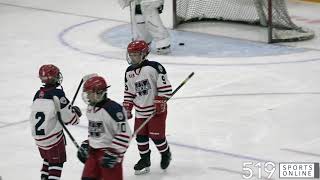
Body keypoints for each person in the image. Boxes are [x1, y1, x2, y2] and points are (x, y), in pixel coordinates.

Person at [123, 40, 172, 175]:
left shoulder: (154, 67)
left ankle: (165, 153)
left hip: (156, 111)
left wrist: (160, 101)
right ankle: (145, 160)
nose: (132, 57)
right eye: (131, 54)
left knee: (157, 137)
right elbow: (129, 92)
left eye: (135, 54)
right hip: (140, 111)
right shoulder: (129, 72)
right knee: (141, 137)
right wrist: (127, 107)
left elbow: (165, 88)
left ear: (144, 54)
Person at [30, 64, 82, 180]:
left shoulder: (37, 94)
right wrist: (76, 114)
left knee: (47, 159)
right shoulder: (57, 94)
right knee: (57, 163)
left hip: (39, 140)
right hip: (53, 139)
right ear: (54, 77)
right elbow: (69, 118)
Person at [77, 75, 132, 180]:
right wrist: (88, 143)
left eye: (89, 93)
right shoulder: (90, 108)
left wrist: (114, 152)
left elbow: (125, 134)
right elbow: (96, 131)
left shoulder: (114, 110)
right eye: (86, 93)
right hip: (93, 153)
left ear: (99, 92)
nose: (87, 97)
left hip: (109, 153)